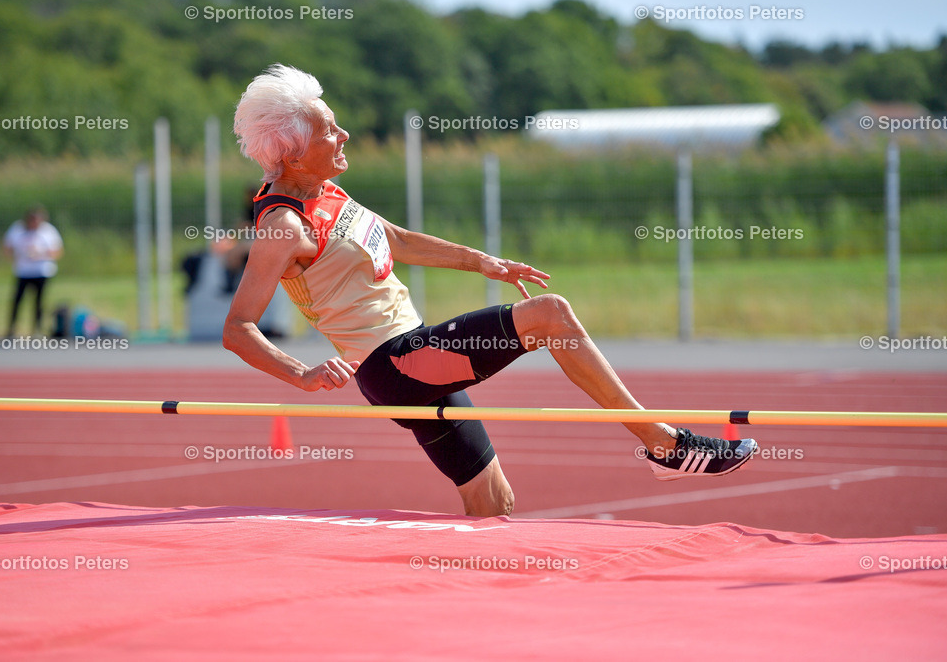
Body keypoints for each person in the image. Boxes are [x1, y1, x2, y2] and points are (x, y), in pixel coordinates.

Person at [224, 64, 758, 517]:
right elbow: (238, 328)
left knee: (493, 503)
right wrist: (303, 373)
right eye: (329, 133)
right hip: (393, 365)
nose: (343, 137)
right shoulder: (282, 227)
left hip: (414, 363)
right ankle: (662, 443)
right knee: (549, 315)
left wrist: (485, 263)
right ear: (292, 154)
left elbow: (397, 239)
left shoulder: (325, 189)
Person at [3, 206, 63, 337]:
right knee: (17, 300)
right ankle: (11, 329)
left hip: (41, 271)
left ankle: (37, 329)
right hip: (23, 271)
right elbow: (7, 248)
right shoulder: (17, 229)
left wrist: (40, 253)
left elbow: (57, 251)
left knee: (39, 302)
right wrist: (20, 254)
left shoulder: (48, 231)